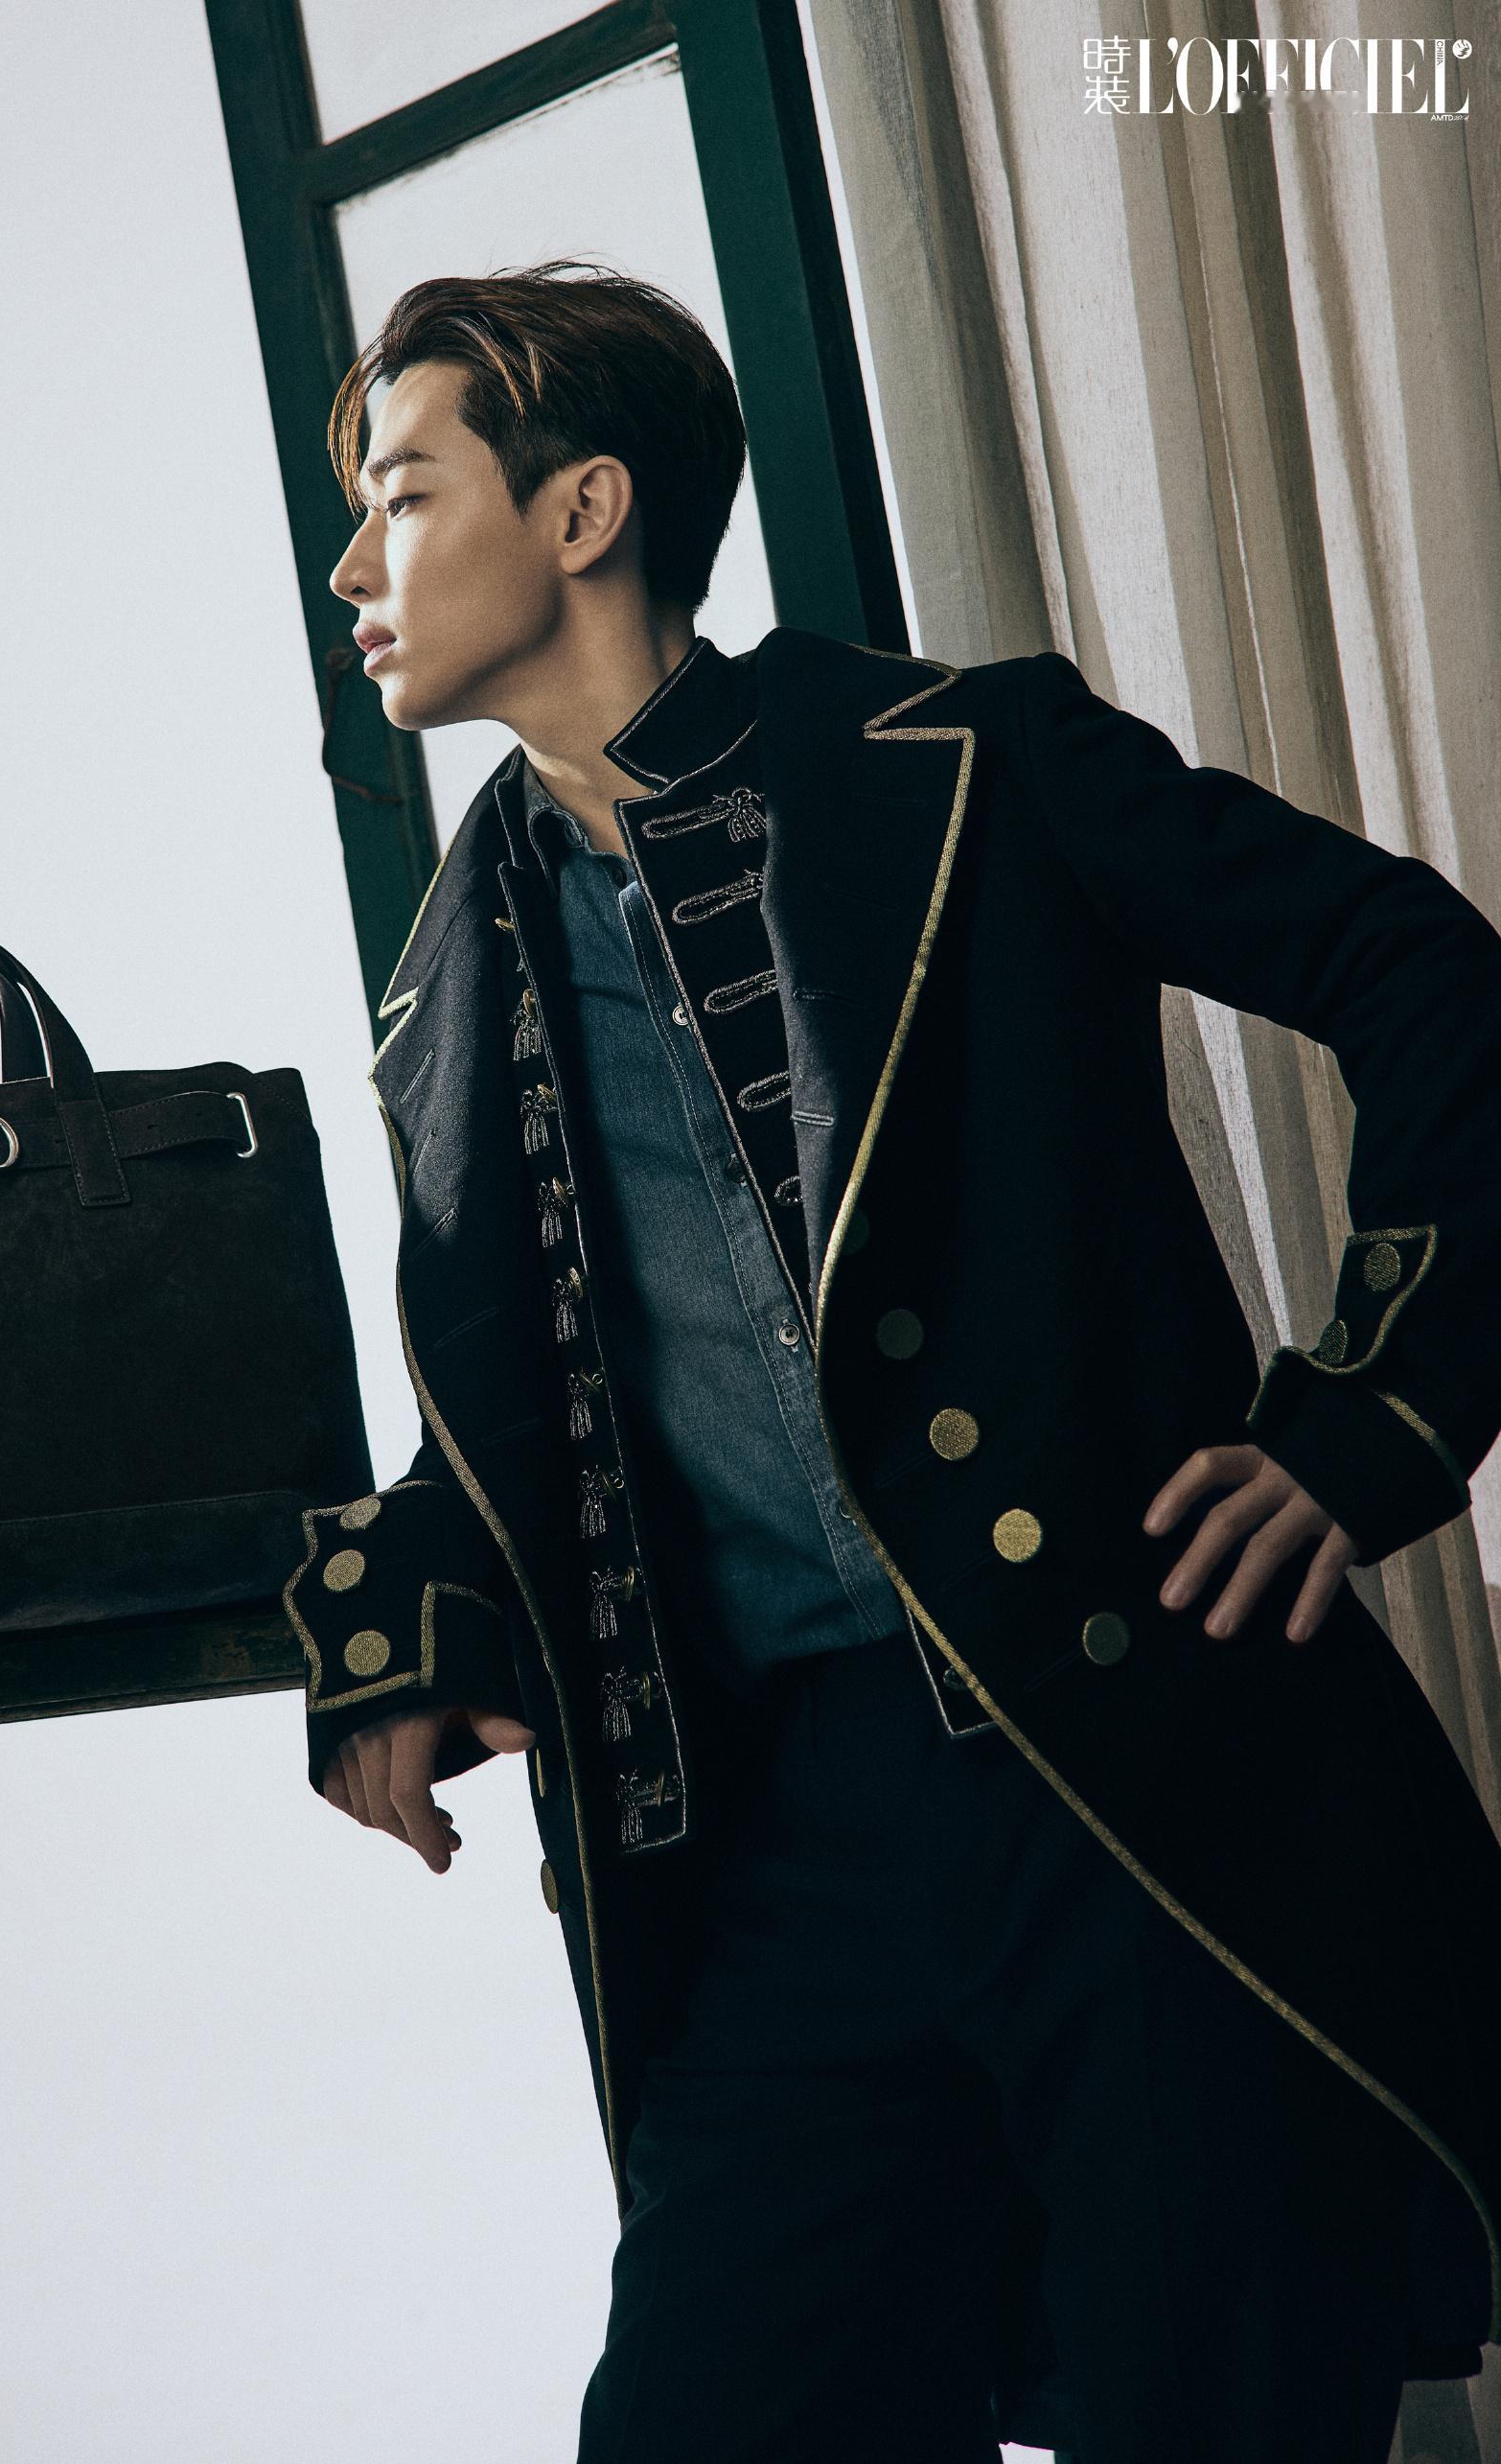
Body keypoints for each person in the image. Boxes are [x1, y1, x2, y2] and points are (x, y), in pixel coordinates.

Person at [279, 261, 1501, 2460]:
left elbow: (1427, 976)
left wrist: (1365, 1417)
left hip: (1115, 1762)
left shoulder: (961, 763)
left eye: (405, 493)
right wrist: (409, 1633)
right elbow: (545, 1406)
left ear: (581, 513)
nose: (354, 567)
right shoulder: (444, 989)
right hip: (770, 1843)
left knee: (1218, 2401)